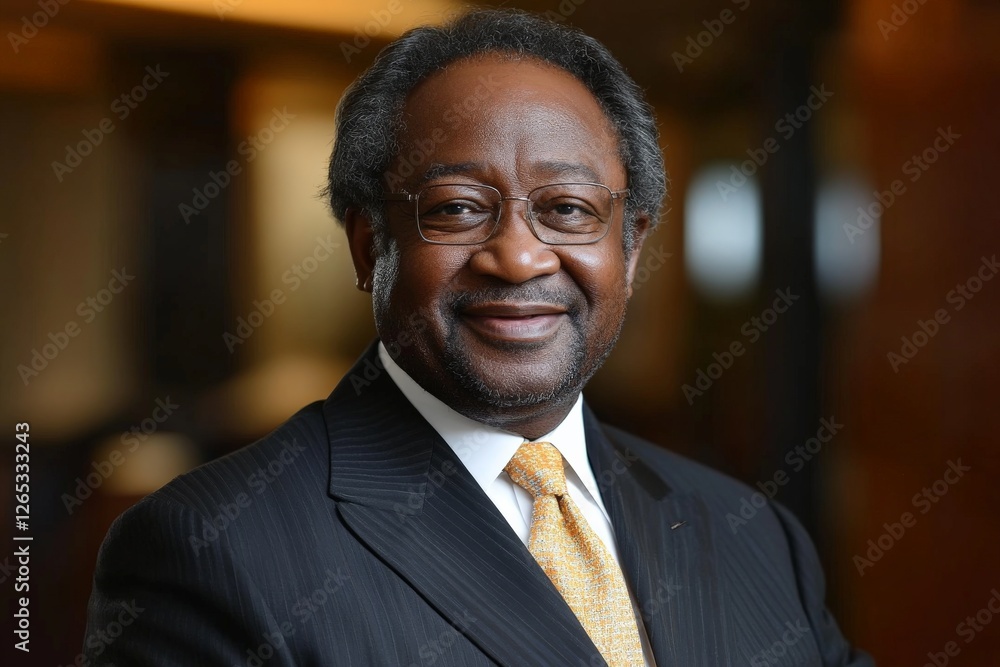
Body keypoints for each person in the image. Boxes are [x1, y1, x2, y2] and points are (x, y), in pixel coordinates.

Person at [84, 9, 873, 666]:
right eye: (458, 208)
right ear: (369, 245)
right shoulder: (213, 549)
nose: (519, 257)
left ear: (630, 250)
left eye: (568, 209)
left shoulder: (752, 534)